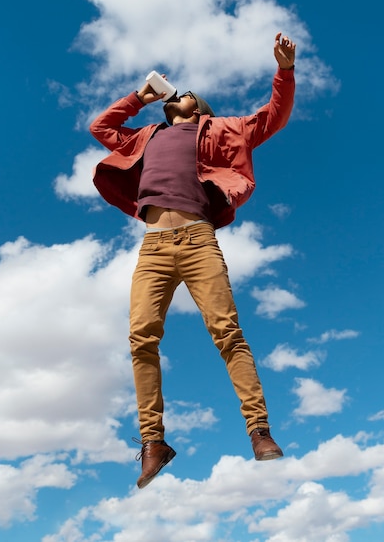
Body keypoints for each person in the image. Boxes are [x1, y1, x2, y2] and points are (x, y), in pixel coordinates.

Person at [89, 32, 296, 489]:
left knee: (227, 332)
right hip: (154, 247)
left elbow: (272, 117)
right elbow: (101, 129)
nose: (175, 96)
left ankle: (259, 431)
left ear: (200, 108)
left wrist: (284, 71)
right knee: (140, 338)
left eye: (184, 95)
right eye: (170, 96)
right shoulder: (146, 135)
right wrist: (139, 97)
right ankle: (152, 443)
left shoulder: (223, 128)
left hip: (198, 240)